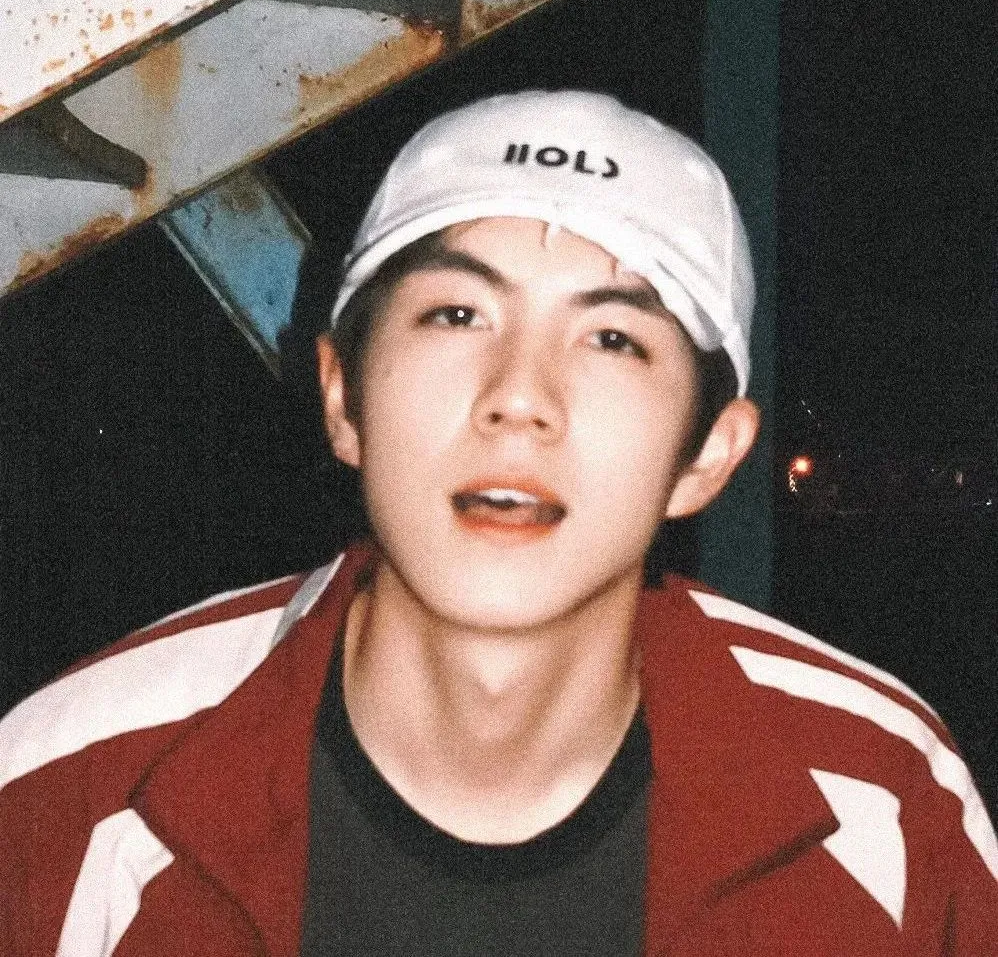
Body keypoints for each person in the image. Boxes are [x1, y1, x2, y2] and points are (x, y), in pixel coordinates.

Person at [0, 90, 994, 956]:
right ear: (342, 396)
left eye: (612, 337)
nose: (520, 398)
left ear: (707, 456)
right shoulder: (69, 790)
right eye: (456, 315)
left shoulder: (887, 805)